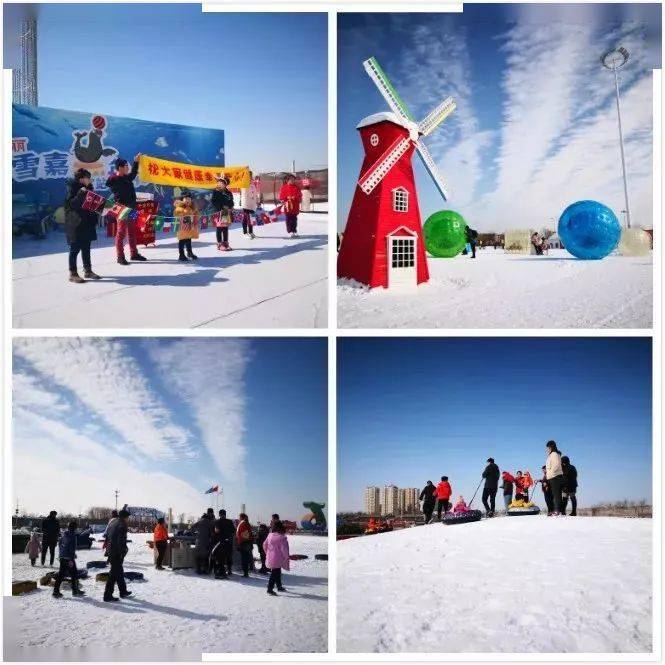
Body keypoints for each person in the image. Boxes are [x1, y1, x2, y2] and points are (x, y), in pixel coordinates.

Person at [106, 155, 147, 265]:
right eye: (125, 166)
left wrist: (136, 162)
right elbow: (111, 183)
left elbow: (133, 173)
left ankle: (134, 254)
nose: (128, 168)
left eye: (128, 166)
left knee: (132, 231)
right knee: (121, 232)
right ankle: (120, 256)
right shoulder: (114, 179)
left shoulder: (126, 178)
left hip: (132, 208)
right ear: (120, 168)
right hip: (122, 209)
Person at [64, 168, 101, 283]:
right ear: (81, 179)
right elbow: (72, 205)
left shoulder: (89, 189)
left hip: (87, 222)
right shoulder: (73, 189)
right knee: (74, 249)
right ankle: (73, 273)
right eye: (88, 178)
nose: (90, 180)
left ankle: (88, 270)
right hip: (76, 223)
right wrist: (80, 193)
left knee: (86, 248)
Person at [104, 508, 131, 602]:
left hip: (111, 550)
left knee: (118, 571)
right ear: (125, 517)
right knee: (113, 574)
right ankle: (107, 595)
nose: (128, 519)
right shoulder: (122, 525)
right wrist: (123, 552)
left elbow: (108, 535)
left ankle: (123, 591)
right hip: (116, 552)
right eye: (128, 517)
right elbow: (120, 541)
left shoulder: (113, 523)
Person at [53, 521, 85, 598]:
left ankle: (56, 591)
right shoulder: (72, 536)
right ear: (74, 528)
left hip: (62, 557)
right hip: (68, 558)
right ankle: (75, 590)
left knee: (61, 574)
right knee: (74, 574)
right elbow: (71, 548)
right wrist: (72, 557)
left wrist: (62, 555)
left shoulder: (64, 535)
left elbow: (60, 545)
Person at [263, 520, 289, 596]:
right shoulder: (282, 538)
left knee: (277, 571)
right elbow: (284, 549)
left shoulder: (270, 535)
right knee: (274, 573)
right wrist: (286, 557)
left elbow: (264, 545)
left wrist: (267, 553)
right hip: (278, 558)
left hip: (270, 557)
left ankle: (279, 586)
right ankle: (269, 589)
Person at [174, 190, 199, 261]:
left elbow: (196, 214)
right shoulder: (179, 207)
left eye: (189, 199)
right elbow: (176, 214)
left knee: (188, 240)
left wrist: (196, 213)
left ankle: (189, 253)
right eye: (186, 199)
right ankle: (181, 254)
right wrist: (183, 213)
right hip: (182, 228)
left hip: (189, 227)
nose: (188, 200)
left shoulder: (192, 207)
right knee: (182, 241)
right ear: (182, 200)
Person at [211, 176, 234, 251]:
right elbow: (213, 201)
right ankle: (219, 243)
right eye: (219, 182)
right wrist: (220, 208)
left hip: (225, 212)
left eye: (221, 183)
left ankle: (225, 243)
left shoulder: (228, 193)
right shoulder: (216, 191)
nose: (219, 184)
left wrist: (230, 206)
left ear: (225, 184)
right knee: (219, 228)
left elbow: (231, 202)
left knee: (225, 228)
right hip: (219, 212)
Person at [278, 174, 302, 238]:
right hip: (287, 207)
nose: (292, 181)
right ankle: (289, 231)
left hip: (295, 206)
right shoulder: (284, 187)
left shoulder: (297, 187)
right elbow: (281, 197)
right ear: (287, 180)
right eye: (291, 179)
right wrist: (286, 198)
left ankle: (294, 230)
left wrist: (295, 197)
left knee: (294, 219)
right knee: (288, 219)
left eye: (293, 179)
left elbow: (300, 196)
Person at [213, 509, 236, 577]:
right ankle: (229, 570)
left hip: (220, 542)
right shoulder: (230, 522)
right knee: (228, 556)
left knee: (220, 557)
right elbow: (234, 531)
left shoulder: (217, 522)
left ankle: (221, 572)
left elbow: (216, 531)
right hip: (229, 542)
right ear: (225, 514)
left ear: (219, 514)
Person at [545, 440, 564, 516]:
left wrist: (551, 473)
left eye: (548, 447)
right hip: (551, 477)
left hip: (555, 477)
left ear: (551, 447)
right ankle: (554, 510)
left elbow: (556, 465)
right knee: (551, 495)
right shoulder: (550, 455)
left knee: (556, 495)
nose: (547, 449)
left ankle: (557, 510)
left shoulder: (555, 454)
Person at [240, 173, 259, 239]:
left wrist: (257, 199)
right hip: (246, 204)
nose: (250, 177)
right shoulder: (244, 184)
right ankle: (245, 232)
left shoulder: (253, 184)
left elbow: (255, 193)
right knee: (247, 218)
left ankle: (251, 232)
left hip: (252, 204)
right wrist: (252, 196)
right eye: (249, 176)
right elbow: (245, 192)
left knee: (251, 218)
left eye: (251, 176)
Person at [236, 513, 253, 577]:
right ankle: (246, 571)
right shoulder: (245, 523)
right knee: (246, 557)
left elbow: (245, 535)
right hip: (245, 543)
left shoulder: (243, 524)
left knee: (244, 558)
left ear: (241, 517)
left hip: (244, 543)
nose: (238, 518)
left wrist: (240, 542)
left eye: (239, 517)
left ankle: (246, 573)